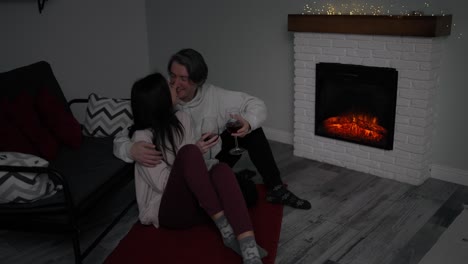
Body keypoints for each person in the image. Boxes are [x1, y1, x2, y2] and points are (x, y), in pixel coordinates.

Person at [114, 48, 311, 210]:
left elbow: (256, 103)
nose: (175, 83)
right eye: (172, 76)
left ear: (198, 81)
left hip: (213, 158)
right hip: (180, 172)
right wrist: (130, 149)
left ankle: (276, 187)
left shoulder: (215, 95)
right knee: (244, 194)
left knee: (253, 132)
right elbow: (125, 134)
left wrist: (248, 122)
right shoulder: (161, 101)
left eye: (183, 78)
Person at [129, 72, 266, 263]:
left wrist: (201, 161)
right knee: (190, 153)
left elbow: (190, 167)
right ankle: (225, 227)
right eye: (169, 85)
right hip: (166, 210)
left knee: (222, 169)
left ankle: (248, 248)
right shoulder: (142, 139)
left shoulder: (182, 119)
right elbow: (163, 183)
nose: (175, 86)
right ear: (158, 99)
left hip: (194, 201)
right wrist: (192, 156)